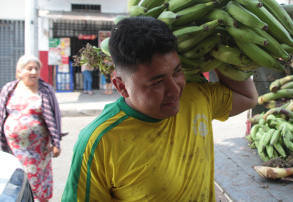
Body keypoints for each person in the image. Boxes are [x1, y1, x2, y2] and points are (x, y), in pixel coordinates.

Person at [62, 17, 258, 201]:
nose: (175, 90)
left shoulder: (195, 96)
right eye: (156, 82)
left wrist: (215, 47)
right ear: (121, 86)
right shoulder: (99, 142)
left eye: (177, 72)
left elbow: (248, 97)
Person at [0, 55, 63, 202]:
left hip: (38, 151)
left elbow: (56, 117)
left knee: (37, 183)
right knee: (18, 180)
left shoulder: (46, 90)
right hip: (14, 149)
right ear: (19, 71)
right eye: (29, 69)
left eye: (36, 68)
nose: (33, 72)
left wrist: (56, 143)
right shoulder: (9, 88)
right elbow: (2, 113)